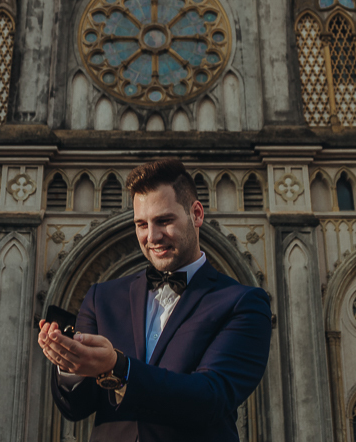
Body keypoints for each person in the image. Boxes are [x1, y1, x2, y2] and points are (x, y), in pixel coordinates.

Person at [38, 158, 271, 441]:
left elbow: (210, 397)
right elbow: (76, 408)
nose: (152, 236)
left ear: (196, 214)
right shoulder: (102, 297)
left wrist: (118, 367)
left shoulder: (243, 303)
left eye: (164, 221)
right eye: (141, 224)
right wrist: (68, 363)